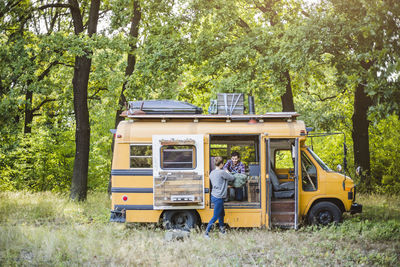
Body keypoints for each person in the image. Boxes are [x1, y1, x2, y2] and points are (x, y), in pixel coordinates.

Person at [205, 157, 235, 238]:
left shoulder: (212, 173)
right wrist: (227, 172)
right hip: (219, 197)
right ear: (221, 164)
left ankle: (222, 230)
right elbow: (232, 178)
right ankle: (206, 233)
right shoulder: (222, 172)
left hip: (214, 195)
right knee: (215, 216)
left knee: (221, 214)